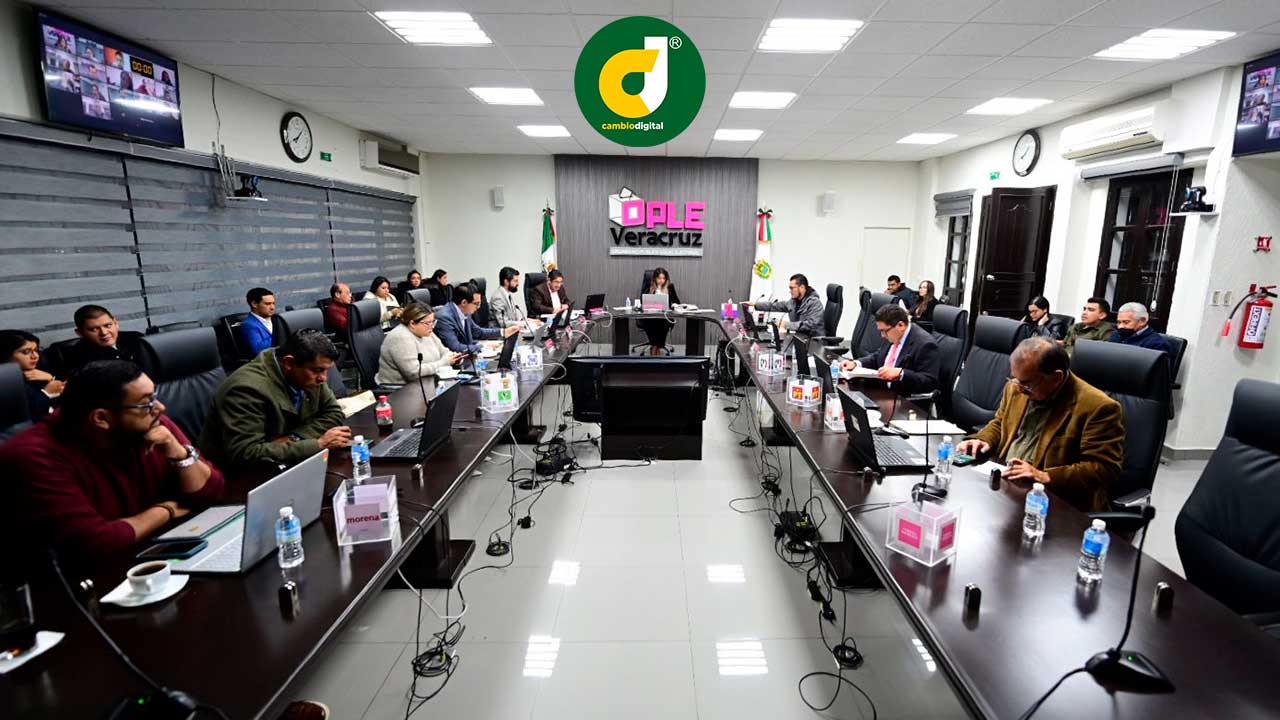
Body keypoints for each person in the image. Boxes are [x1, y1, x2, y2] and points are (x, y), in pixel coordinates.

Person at [0, 360, 224, 565]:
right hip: (86, 580)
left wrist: (177, 451)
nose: (160, 408)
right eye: (146, 403)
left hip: (155, 551)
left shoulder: (152, 425)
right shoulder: (33, 455)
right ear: (101, 418)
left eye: (154, 396)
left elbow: (212, 490)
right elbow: (95, 542)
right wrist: (166, 510)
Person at [956, 337, 1123, 513]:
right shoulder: (1016, 386)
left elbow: (1105, 468)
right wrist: (983, 439)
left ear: (1056, 378)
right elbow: (1001, 421)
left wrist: (1044, 475)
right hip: (1006, 485)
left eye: (1027, 384)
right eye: (1015, 379)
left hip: (1052, 501)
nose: (1019, 388)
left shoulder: (1098, 407)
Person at [199, 330, 350, 473]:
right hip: (236, 477)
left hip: (284, 463)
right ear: (289, 363)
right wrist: (317, 444)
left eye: (326, 370)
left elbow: (334, 413)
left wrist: (295, 438)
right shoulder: (246, 389)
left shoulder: (308, 374)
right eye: (318, 370)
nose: (324, 378)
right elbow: (245, 453)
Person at [838, 304, 940, 395]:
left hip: (901, 398)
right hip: (880, 390)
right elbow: (878, 356)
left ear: (900, 325)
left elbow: (929, 381)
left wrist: (901, 373)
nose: (882, 336)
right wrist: (856, 363)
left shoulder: (925, 344)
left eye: (884, 331)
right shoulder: (893, 334)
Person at [376, 304, 465, 385]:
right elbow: (414, 372)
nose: (432, 326)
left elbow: (444, 351)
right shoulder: (400, 337)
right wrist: (445, 362)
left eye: (433, 322)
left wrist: (454, 358)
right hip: (401, 390)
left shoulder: (426, 332)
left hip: (428, 383)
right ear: (412, 323)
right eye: (427, 323)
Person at [435, 284, 520, 353]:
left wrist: (503, 332)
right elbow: (455, 347)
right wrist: (482, 346)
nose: (478, 307)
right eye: (476, 303)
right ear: (464, 302)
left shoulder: (464, 311)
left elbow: (478, 332)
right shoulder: (444, 318)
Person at [0, 330, 63, 422]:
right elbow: (25, 418)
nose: (35, 356)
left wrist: (50, 379)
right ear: (5, 355)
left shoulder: (38, 371)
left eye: (36, 350)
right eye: (26, 352)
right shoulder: (5, 383)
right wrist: (46, 394)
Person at [65, 304, 143, 373]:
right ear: (80, 333)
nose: (104, 333)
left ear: (115, 323)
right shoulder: (78, 358)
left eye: (108, 325)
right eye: (94, 329)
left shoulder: (136, 338)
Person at [743, 273, 823, 335]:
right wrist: (755, 304)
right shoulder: (793, 302)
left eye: (792, 288)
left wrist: (785, 324)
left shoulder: (815, 303)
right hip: (800, 339)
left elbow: (810, 325)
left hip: (814, 342)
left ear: (802, 287)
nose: (790, 291)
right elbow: (774, 306)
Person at [638, 267, 682, 354]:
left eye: (663, 278)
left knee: (662, 323)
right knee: (648, 322)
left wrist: (674, 305)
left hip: (665, 316)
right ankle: (656, 346)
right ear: (655, 278)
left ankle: (655, 346)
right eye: (659, 278)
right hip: (650, 315)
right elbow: (642, 300)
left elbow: (677, 302)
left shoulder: (669, 287)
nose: (662, 280)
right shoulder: (649, 286)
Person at [239, 287, 277, 356]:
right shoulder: (249, 325)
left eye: (273, 303)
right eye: (267, 304)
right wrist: (281, 334)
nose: (272, 307)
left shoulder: (276, 319)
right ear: (254, 304)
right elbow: (258, 349)